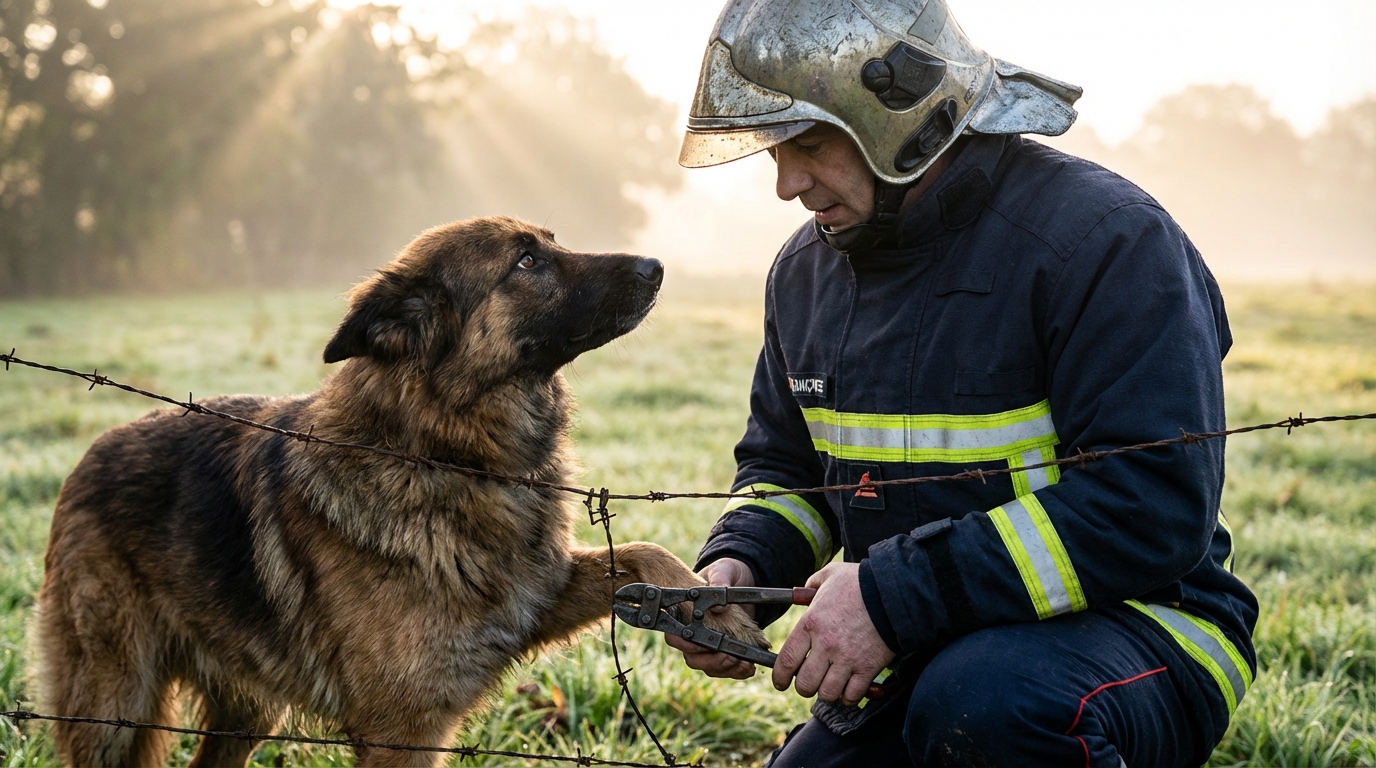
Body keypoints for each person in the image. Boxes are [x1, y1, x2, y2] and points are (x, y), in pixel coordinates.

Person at [665, 1, 1259, 765]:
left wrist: (890, 597)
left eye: (809, 143)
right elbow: (789, 473)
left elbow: (1152, 504)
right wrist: (741, 565)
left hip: (1142, 629)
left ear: (903, 116)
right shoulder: (804, 274)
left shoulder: (1105, 240)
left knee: (985, 708)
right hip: (930, 641)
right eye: (774, 151)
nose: (786, 184)